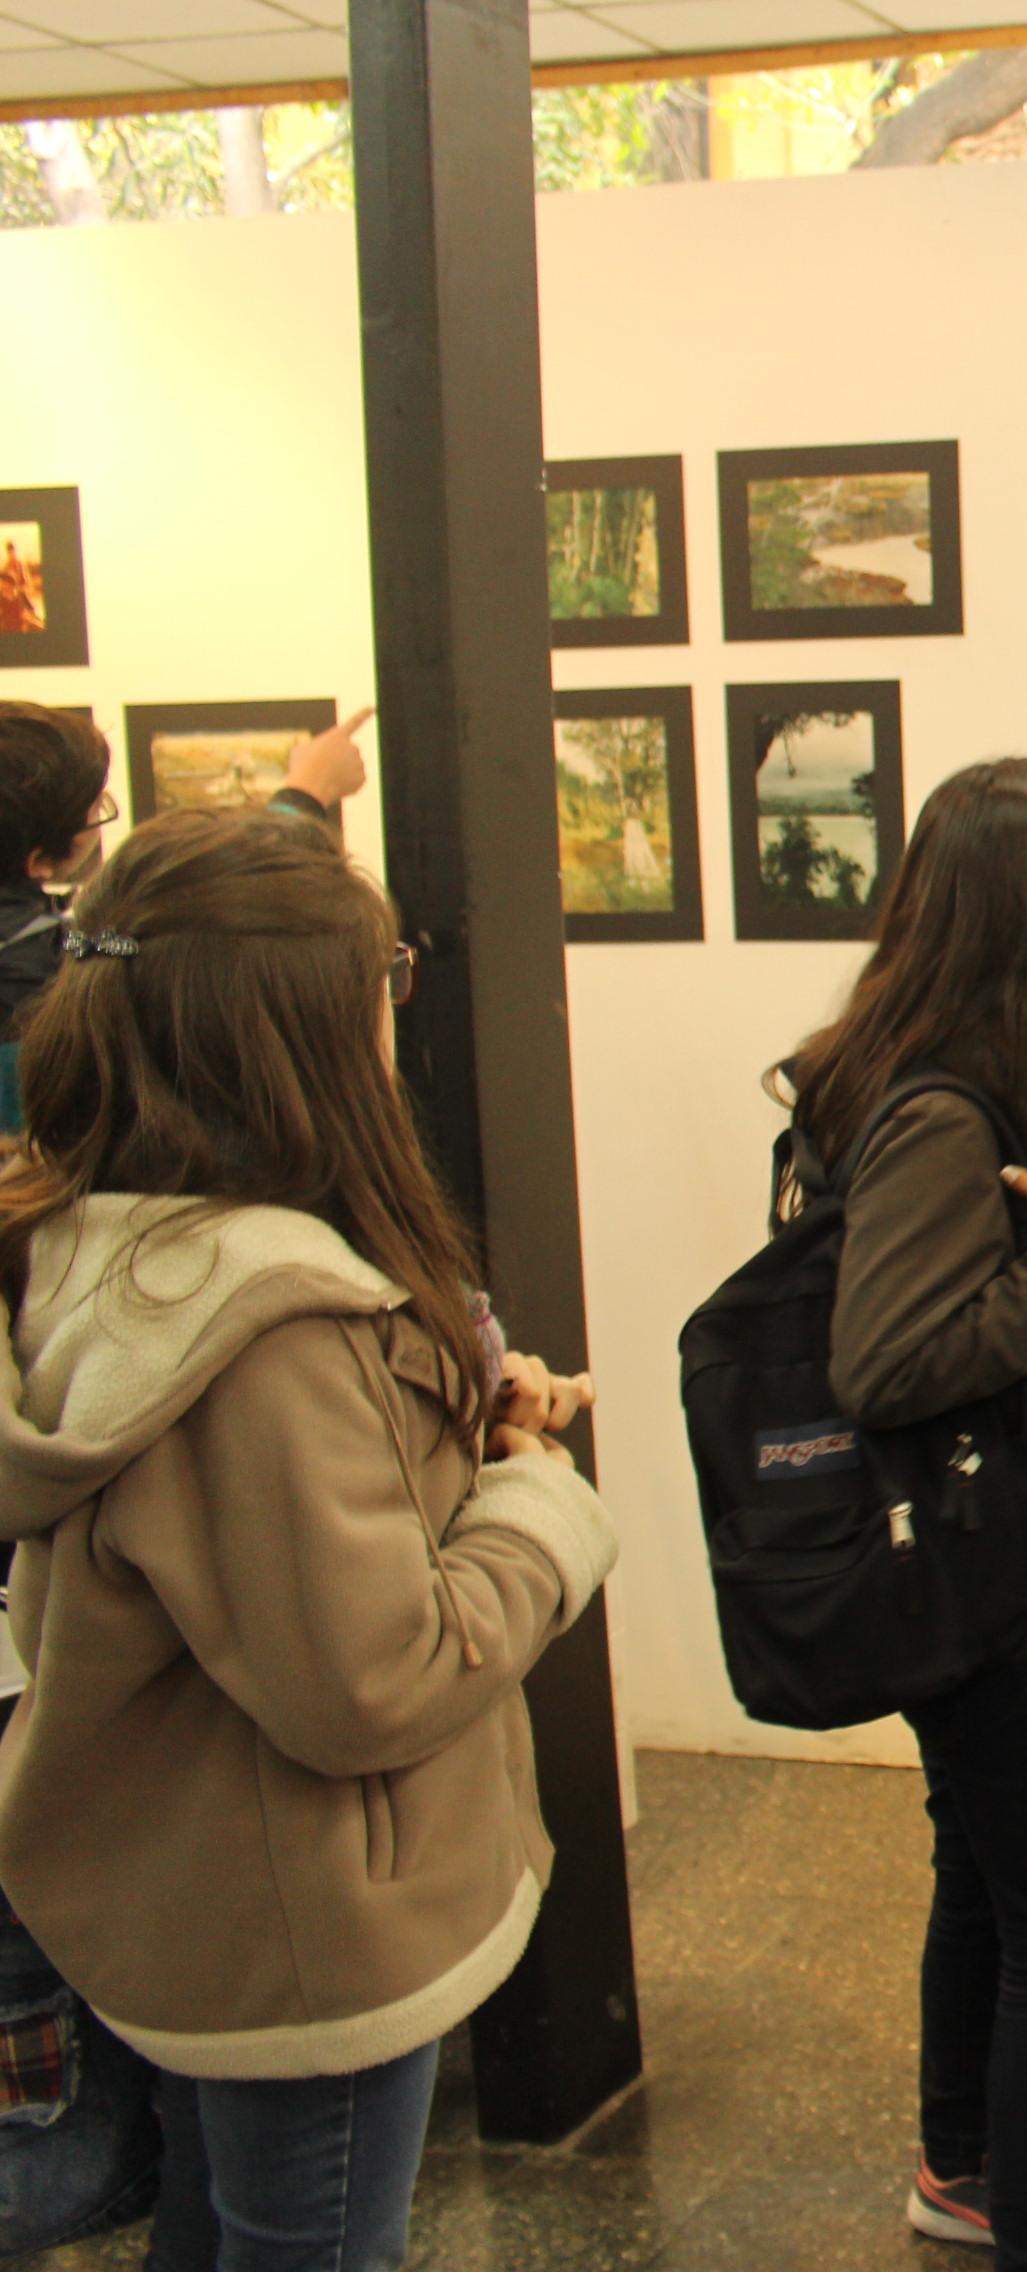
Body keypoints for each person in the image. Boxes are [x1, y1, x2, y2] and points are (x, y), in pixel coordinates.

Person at [0, 807, 618, 2270]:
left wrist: (438, 1420)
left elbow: (239, 1561)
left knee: (222, 2236)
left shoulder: (89, 1233)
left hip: (187, 1885)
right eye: (384, 976)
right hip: (303, 1922)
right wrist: (534, 1491)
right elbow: (370, 1680)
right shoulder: (262, 1327)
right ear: (297, 1027)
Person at [777, 758, 1027, 2272]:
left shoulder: (905, 1064)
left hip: (969, 1577)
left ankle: (966, 2172)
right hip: (996, 1591)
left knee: (987, 1873)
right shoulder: (947, 1107)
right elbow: (885, 1362)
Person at [0, 702, 366, 1134]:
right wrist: (304, 794)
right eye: (94, 810)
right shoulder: (62, 958)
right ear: (39, 861)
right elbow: (193, 927)